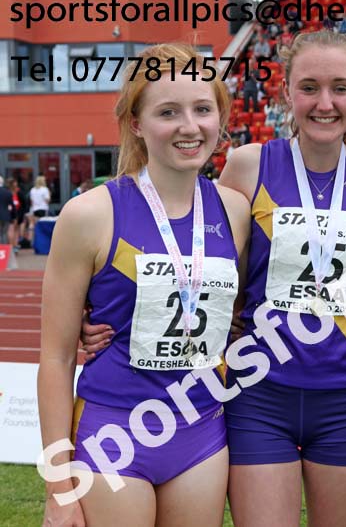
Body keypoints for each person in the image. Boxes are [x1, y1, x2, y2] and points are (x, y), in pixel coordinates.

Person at [39, 43, 251, 527]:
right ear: (136, 123)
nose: (189, 126)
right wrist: (58, 488)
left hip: (201, 430)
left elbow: (232, 311)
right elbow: (55, 359)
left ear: (220, 117)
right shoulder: (89, 214)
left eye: (202, 109)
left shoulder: (235, 210)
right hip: (115, 431)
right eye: (168, 112)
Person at [211, 30, 346, 527]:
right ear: (286, 92)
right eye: (309, 87)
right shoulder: (248, 165)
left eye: (340, 87)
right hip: (259, 394)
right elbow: (208, 264)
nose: (325, 103)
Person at [27, 175, 50, 242]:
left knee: (33, 224)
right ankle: (41, 240)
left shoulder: (32, 190)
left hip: (35, 209)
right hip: (43, 209)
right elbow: (47, 200)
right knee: (42, 225)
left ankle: (30, 240)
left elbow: (31, 201)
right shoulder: (45, 189)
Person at [0, 176, 11, 245]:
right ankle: (4, 248)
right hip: (5, 215)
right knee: (4, 233)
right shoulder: (7, 192)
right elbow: (11, 205)